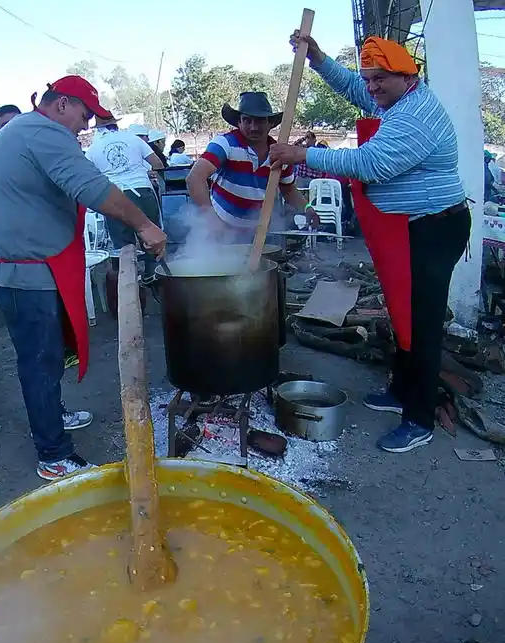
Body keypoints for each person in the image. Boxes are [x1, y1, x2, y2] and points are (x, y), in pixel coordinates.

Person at [271, 31, 470, 454]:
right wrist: (319, 59)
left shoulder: (414, 116)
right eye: (370, 78)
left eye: (380, 78)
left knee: (421, 322)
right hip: (407, 228)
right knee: (400, 311)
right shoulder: (395, 98)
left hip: (433, 230)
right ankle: (401, 390)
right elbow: (352, 86)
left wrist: (302, 155)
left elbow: (370, 164)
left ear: (406, 76)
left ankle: (419, 418)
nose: (372, 87)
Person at [0, 74, 166, 481]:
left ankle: (54, 414)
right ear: (61, 104)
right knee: (40, 360)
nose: (87, 125)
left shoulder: (28, 131)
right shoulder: (43, 132)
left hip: (28, 265)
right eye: (85, 115)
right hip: (22, 271)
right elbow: (93, 188)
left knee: (49, 353)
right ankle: (53, 455)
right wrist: (145, 225)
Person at [186, 91, 319, 237]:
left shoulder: (280, 155)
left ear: (270, 123)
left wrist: (307, 208)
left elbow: (288, 191)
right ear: (239, 122)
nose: (254, 127)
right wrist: (211, 218)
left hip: (259, 236)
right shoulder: (225, 144)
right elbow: (195, 178)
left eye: (260, 121)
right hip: (220, 236)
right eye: (247, 120)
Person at [86, 114, 164, 283]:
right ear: (115, 125)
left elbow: (88, 176)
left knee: (123, 246)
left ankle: (128, 283)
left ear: (98, 129)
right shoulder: (133, 139)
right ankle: (155, 277)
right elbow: (157, 163)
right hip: (142, 191)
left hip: (114, 195)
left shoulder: (93, 148)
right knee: (152, 238)